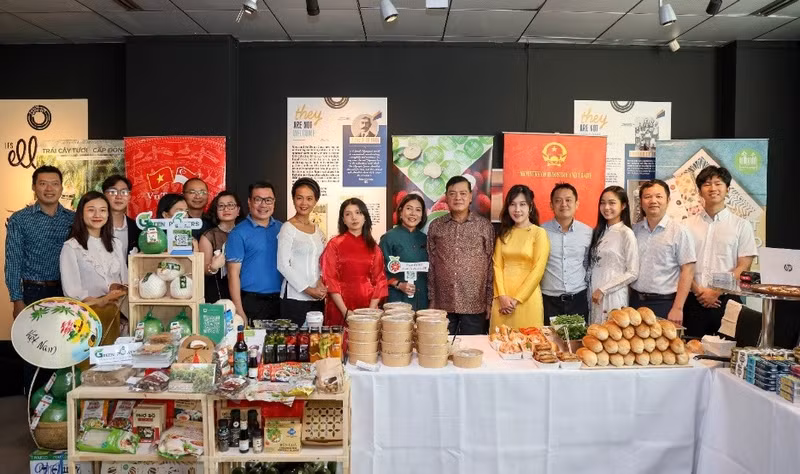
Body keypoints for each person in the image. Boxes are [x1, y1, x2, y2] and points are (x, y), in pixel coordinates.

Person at [685, 166, 757, 338]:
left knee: (728, 355)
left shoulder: (741, 225)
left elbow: (743, 265)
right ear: (699, 190)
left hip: (727, 300)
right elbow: (681, 264)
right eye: (707, 184)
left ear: (727, 189)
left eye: (718, 183)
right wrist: (698, 291)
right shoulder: (686, 225)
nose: (713, 188)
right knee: (690, 353)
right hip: (692, 301)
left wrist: (716, 291)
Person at [427, 176, 494, 335]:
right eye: (453, 193)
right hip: (443, 304)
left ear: (471, 196)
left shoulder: (484, 226)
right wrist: (432, 298)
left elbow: (491, 265)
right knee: (442, 351)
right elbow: (432, 263)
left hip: (475, 304)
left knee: (471, 351)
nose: (458, 198)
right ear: (446, 196)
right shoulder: (436, 226)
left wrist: (489, 301)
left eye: (463, 193)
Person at [5, 165, 74, 318]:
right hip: (33, 292)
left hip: (67, 290)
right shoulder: (20, 219)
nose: (49, 188)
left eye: (55, 183)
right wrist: (17, 300)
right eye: (43, 183)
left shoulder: (73, 219)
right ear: (33, 187)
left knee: (65, 339)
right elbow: (13, 262)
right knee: (34, 340)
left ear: (61, 188)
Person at [59, 191, 128, 345]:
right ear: (81, 214)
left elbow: (125, 279)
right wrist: (102, 301)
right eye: (91, 210)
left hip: (117, 315)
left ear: (108, 214)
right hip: (88, 318)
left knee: (116, 364)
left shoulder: (116, 244)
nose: (97, 214)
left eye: (103, 210)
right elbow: (72, 290)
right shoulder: (72, 247)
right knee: (91, 365)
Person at [631, 180, 696, 323]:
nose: (653, 201)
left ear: (668, 200)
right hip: (634, 302)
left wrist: (678, 308)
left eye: (659, 196)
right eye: (647, 197)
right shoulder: (634, 230)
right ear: (641, 202)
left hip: (664, 304)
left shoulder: (679, 231)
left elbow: (688, 270)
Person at [490, 185, 550, 330]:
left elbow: (538, 270)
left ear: (530, 207)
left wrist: (516, 300)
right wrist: (502, 296)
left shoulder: (539, 233)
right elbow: (497, 266)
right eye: (512, 204)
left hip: (527, 300)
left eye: (522, 204)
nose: (517, 210)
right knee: (500, 344)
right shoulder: (504, 233)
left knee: (529, 345)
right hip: (501, 300)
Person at [321, 198, 388, 326]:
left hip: (367, 308)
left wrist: (370, 311)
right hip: (339, 307)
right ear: (343, 220)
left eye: (358, 213)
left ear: (365, 217)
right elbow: (330, 279)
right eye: (348, 214)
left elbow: (379, 281)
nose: (354, 217)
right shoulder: (334, 244)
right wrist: (345, 312)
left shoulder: (374, 248)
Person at [226, 182, 283, 325]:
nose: (263, 205)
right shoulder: (238, 233)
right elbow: (233, 275)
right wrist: (239, 311)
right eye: (258, 199)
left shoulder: (283, 229)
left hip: (282, 301)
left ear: (274, 202)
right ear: (249, 202)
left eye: (268, 200)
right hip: (252, 302)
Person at [277, 178, 327, 326]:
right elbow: (283, 265)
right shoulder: (287, 228)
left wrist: (320, 281)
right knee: (295, 344)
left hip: (317, 298)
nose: (304, 203)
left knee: (316, 342)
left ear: (315, 201)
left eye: (309, 198)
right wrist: (308, 289)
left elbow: (320, 261)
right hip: (294, 298)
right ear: (293, 199)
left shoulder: (317, 230)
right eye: (299, 198)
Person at [540, 183, 593, 323]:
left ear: (577, 204)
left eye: (568, 200)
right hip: (549, 301)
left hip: (578, 300)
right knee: (551, 343)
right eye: (558, 200)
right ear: (551, 205)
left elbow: (588, 264)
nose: (564, 204)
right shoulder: (540, 232)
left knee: (578, 343)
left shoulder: (588, 232)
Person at [588, 186, 639, 324]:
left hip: (613, 295)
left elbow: (633, 272)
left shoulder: (626, 233)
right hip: (594, 294)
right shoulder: (599, 232)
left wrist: (604, 290)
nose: (606, 207)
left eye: (612, 203)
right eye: (603, 203)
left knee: (612, 336)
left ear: (623, 206)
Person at [379, 193, 429, 311]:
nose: (413, 214)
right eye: (409, 209)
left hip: (422, 299)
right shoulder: (389, 238)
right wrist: (398, 284)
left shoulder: (425, 239)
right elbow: (379, 271)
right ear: (400, 213)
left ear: (422, 215)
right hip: (397, 298)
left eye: (418, 210)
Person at [199, 191, 242, 303]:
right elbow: (203, 270)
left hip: (245, 291)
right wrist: (213, 267)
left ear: (238, 210)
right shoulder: (208, 236)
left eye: (230, 205)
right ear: (216, 211)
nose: (226, 209)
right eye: (221, 206)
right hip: (217, 291)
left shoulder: (245, 233)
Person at [102, 174, 140, 257]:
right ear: (104, 195)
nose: (119, 196)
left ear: (129, 196)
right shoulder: (96, 227)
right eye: (112, 192)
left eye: (124, 192)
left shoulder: (137, 229)